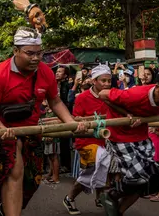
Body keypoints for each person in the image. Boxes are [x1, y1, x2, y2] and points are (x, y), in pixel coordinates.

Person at [0, 28, 86, 216]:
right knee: (15, 170)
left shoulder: (45, 72)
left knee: (32, 179)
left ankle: (4, 209)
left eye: (39, 53)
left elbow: (55, 100)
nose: (36, 58)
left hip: (32, 130)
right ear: (16, 51)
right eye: (30, 53)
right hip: (3, 131)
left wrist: (71, 123)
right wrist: (1, 128)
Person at [98, 68, 159, 215]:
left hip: (141, 136)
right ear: (157, 87)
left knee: (151, 181)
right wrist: (126, 114)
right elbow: (102, 94)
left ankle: (118, 211)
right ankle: (112, 194)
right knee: (137, 177)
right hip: (120, 135)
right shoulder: (135, 95)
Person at [63, 64, 119, 215]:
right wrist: (80, 122)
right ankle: (70, 198)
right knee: (93, 170)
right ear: (94, 81)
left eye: (109, 80)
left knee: (103, 169)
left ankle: (100, 197)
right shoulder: (82, 98)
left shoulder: (113, 95)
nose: (107, 84)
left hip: (107, 139)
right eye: (103, 81)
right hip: (87, 141)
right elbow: (76, 118)